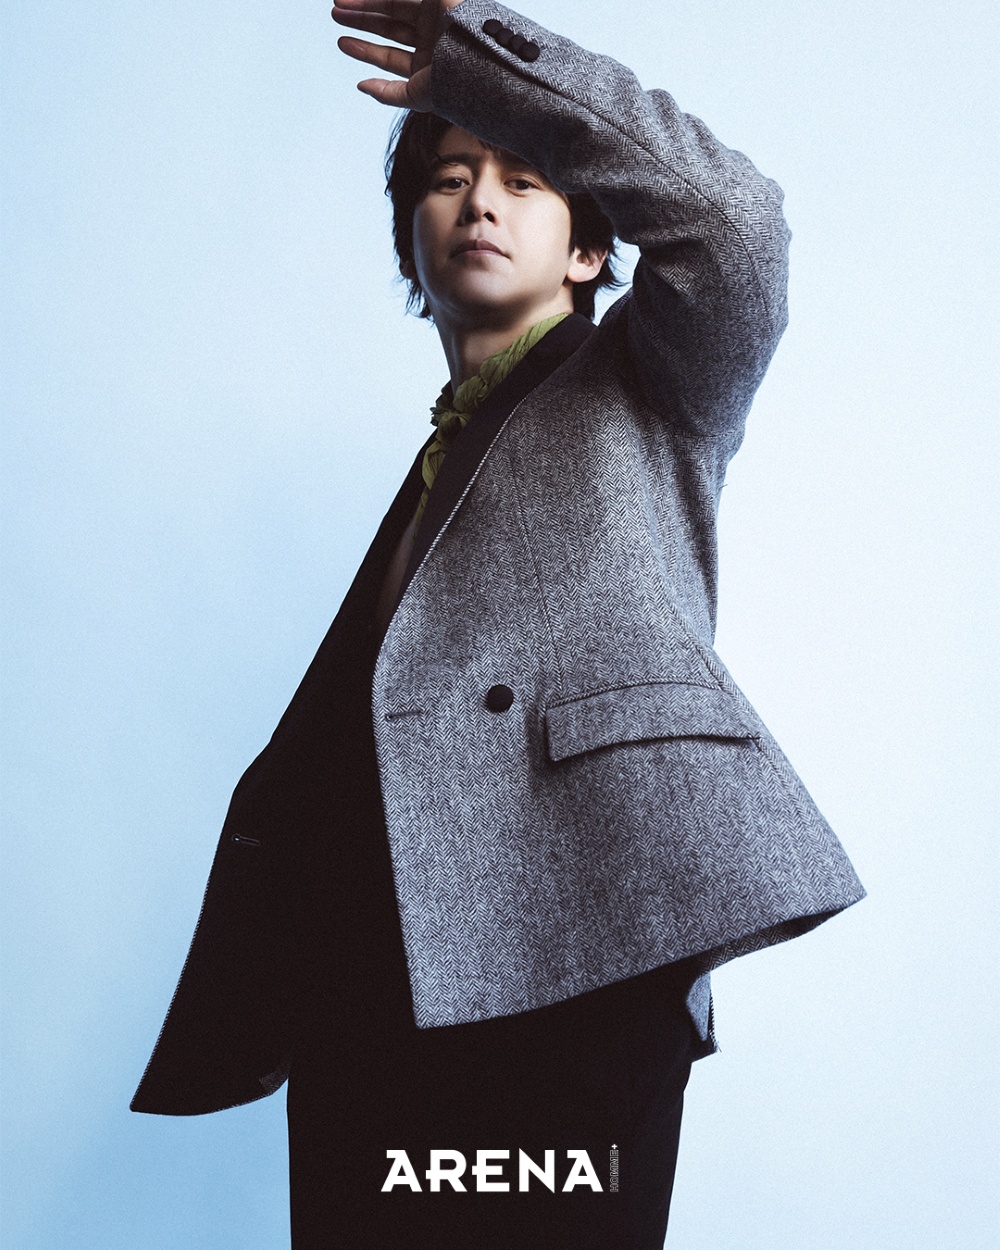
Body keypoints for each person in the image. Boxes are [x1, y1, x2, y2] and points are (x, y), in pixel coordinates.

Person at [131, 2, 865, 1246]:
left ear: (589, 249)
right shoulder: (432, 472)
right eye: (449, 178)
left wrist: (490, 68)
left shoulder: (652, 383)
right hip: (373, 1000)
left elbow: (736, 224)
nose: (479, 199)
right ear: (412, 239)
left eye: (524, 180)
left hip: (574, 964)